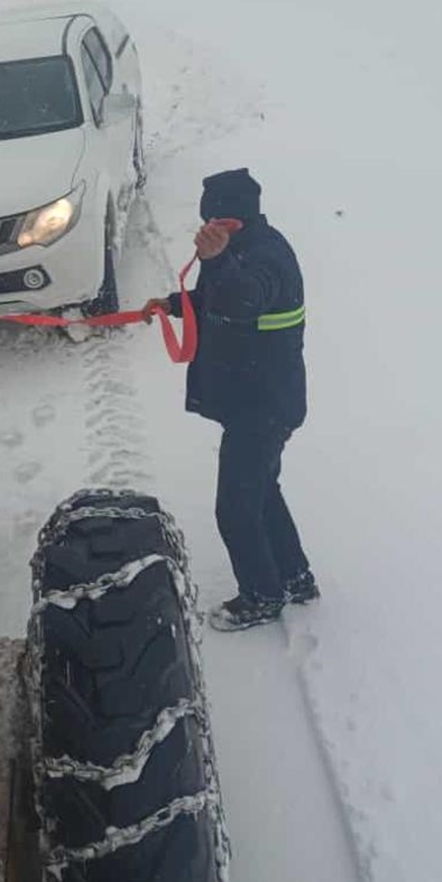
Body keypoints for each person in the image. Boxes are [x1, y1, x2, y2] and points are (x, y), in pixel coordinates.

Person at [143, 168, 318, 631]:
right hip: (256, 401)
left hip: (264, 407)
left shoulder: (266, 256)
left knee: (236, 508)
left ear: (239, 218)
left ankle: (262, 595)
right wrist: (173, 303)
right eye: (208, 221)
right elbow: (215, 296)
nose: (212, 229)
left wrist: (218, 260)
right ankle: (296, 577)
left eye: (220, 221)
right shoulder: (239, 247)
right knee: (262, 492)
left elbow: (244, 299)